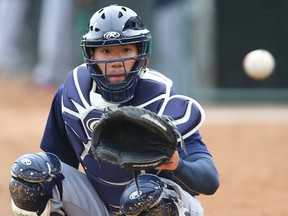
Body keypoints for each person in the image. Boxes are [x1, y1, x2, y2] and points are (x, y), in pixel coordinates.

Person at [9, 4, 219, 216]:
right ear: (91, 55)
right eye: (106, 51)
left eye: (126, 50)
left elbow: (210, 180)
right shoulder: (71, 95)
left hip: (161, 201)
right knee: (34, 175)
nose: (116, 61)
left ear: (140, 53)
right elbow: (59, 167)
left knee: (147, 197)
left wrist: (177, 164)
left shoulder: (163, 101)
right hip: (98, 206)